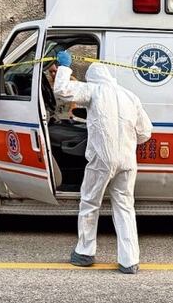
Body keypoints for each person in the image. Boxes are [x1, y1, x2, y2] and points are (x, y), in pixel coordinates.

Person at [52, 51, 153, 274]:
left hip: (102, 159)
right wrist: (125, 139)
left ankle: (85, 253)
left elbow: (62, 90)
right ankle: (129, 261)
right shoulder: (129, 96)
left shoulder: (94, 90)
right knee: (125, 207)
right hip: (127, 161)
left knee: (90, 202)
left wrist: (64, 67)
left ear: (93, 78)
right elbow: (146, 132)